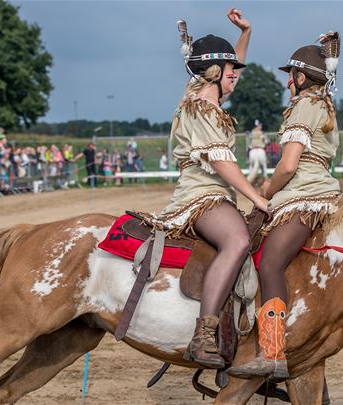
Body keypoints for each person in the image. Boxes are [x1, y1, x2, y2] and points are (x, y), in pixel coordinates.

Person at [141, 9, 267, 369]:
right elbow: (223, 163)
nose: (237, 76)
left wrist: (246, 32)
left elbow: (234, 63)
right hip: (202, 193)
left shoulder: (209, 98)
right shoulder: (202, 108)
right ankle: (204, 334)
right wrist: (257, 197)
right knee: (238, 241)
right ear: (216, 74)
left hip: (213, 192)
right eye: (231, 72)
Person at [228, 31, 342, 380]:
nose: (287, 83)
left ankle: (272, 351)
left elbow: (289, 164)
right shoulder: (320, 103)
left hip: (302, 196)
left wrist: (265, 188)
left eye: (289, 76)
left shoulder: (306, 106)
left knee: (270, 266)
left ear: (301, 77)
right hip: (315, 193)